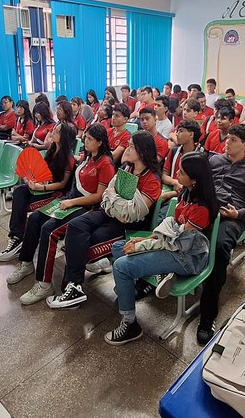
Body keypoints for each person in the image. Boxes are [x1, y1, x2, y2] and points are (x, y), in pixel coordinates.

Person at [104, 152, 218, 345]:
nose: (177, 175)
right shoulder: (186, 193)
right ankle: (155, 275)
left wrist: (142, 245)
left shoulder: (201, 209)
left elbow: (177, 242)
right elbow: (171, 226)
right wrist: (145, 238)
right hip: (173, 245)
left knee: (122, 266)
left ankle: (130, 323)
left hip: (186, 257)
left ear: (195, 180)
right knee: (117, 247)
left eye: (181, 173)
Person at [48, 131, 162, 308]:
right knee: (75, 226)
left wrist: (114, 198)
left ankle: (71, 286)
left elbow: (131, 215)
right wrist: (116, 201)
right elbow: (106, 197)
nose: (127, 149)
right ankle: (75, 285)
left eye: (132, 146)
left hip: (128, 226)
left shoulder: (152, 180)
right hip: (108, 213)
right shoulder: (126, 168)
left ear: (142, 151)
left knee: (88, 240)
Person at [8, 124, 116, 304]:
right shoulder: (87, 158)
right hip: (71, 199)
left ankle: (43, 284)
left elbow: (98, 196)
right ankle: (26, 263)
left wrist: (71, 202)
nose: (85, 141)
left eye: (89, 139)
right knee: (35, 218)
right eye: (85, 137)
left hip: (86, 207)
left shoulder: (105, 163)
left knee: (49, 230)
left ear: (99, 142)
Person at [197, 124, 245, 344]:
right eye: (227, 138)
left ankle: (207, 317)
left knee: (218, 248)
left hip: (230, 217)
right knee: (175, 228)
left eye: (233, 139)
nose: (227, 142)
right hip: (205, 208)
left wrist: (238, 213)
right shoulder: (215, 160)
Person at [0, 122, 77, 261]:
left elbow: (62, 184)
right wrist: (34, 180)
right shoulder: (52, 150)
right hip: (44, 187)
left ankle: (19, 237)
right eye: (54, 129)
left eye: (57, 131)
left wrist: (42, 187)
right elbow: (45, 172)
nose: (53, 132)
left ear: (64, 137)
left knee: (22, 202)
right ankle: (16, 236)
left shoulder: (68, 158)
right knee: (19, 191)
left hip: (55, 193)